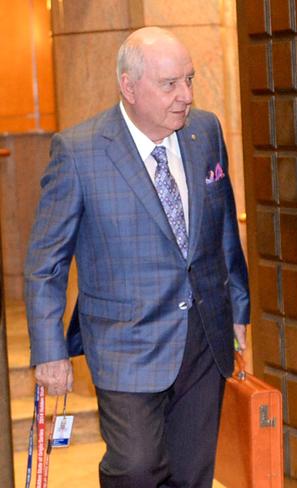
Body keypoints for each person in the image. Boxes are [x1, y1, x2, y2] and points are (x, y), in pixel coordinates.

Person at [24, 27, 249, 488]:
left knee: (191, 474)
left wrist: (238, 309)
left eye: (189, 80)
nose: (185, 95)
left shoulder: (204, 131)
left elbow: (222, 225)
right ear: (128, 87)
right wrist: (49, 351)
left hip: (203, 336)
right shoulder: (79, 152)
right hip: (125, 342)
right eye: (170, 84)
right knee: (137, 467)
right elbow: (45, 263)